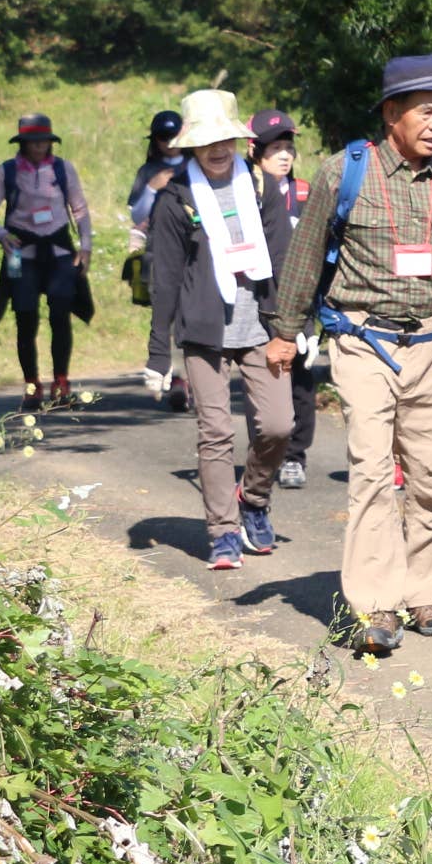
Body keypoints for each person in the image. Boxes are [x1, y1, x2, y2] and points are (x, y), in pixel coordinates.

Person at [263, 55, 432, 656]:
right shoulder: (343, 172)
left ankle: (425, 591)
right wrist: (285, 330)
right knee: (374, 473)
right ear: (391, 115)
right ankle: (374, 606)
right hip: (363, 340)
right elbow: (305, 256)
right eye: (427, 111)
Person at [143, 91, 294, 572]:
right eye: (207, 141)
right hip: (203, 331)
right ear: (190, 146)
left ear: (237, 140)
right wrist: (156, 355)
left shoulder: (260, 185)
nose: (218, 149)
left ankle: (253, 499)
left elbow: (287, 258)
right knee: (215, 433)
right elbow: (163, 277)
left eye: (226, 139)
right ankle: (224, 532)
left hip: (261, 327)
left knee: (277, 425)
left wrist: (295, 325)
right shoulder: (175, 198)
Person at [0, 113, 94, 412]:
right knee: (25, 318)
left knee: (61, 314)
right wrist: (2, 236)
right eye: (33, 141)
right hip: (22, 253)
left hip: (58, 250)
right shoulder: (6, 172)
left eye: (44, 140)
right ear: (22, 143)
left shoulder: (63, 169)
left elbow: (79, 209)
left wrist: (86, 247)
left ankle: (61, 382)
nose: (39, 146)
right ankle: (32, 385)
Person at [250, 108, 322, 490]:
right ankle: (262, 457)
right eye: (274, 148)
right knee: (262, 384)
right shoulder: (246, 194)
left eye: (288, 148)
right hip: (258, 304)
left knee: (301, 382)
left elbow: (321, 254)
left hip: (300, 307)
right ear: (255, 154)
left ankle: (295, 456)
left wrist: (315, 320)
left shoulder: (307, 193)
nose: (284, 155)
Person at [128, 107, 189, 411]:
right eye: (163, 137)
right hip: (158, 250)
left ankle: (183, 376)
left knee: (187, 314)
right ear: (155, 141)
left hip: (193, 249)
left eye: (174, 135)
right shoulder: (147, 171)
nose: (169, 142)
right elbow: (137, 214)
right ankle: (170, 371)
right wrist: (152, 189)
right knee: (165, 314)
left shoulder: (196, 164)